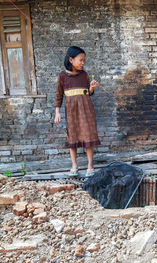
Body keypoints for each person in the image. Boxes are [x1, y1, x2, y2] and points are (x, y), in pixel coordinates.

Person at [54, 46, 100, 177]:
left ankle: (90, 166)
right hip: (71, 110)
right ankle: (74, 165)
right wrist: (57, 112)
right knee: (72, 136)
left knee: (88, 135)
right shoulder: (63, 76)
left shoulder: (84, 74)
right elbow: (59, 95)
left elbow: (88, 93)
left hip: (86, 109)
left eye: (84, 60)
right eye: (80, 60)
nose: (82, 63)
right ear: (71, 59)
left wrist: (91, 87)